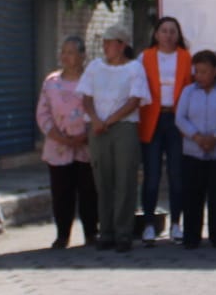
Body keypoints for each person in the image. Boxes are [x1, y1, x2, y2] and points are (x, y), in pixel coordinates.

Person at [78, 24, 145, 254]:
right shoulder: (95, 67)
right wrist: (96, 119)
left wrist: (111, 120)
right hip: (98, 127)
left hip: (123, 126)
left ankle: (123, 232)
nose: (106, 46)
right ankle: (105, 231)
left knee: (125, 179)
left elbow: (135, 99)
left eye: (110, 42)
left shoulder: (134, 68)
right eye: (104, 42)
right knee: (102, 179)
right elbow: (86, 97)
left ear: (122, 45)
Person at [35, 35, 98, 250]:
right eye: (63, 52)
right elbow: (43, 113)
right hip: (58, 145)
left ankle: (91, 232)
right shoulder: (51, 82)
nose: (65, 56)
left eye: (71, 52)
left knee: (89, 190)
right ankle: (62, 235)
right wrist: (59, 136)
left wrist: (86, 135)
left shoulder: (91, 81)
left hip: (86, 144)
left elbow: (99, 109)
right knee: (61, 192)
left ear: (82, 56)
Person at [176, 49, 216, 248]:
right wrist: (196, 136)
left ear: (215, 71)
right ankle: (191, 237)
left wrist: (215, 137)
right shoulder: (188, 91)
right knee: (192, 196)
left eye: (204, 71)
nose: (199, 76)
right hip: (193, 151)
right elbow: (180, 118)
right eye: (197, 71)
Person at [137, 17, 190, 245]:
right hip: (152, 119)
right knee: (152, 176)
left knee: (177, 175)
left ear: (178, 35)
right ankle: (149, 224)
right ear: (156, 34)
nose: (168, 35)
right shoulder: (144, 57)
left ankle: (177, 224)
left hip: (177, 119)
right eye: (164, 31)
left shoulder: (187, 58)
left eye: (172, 31)